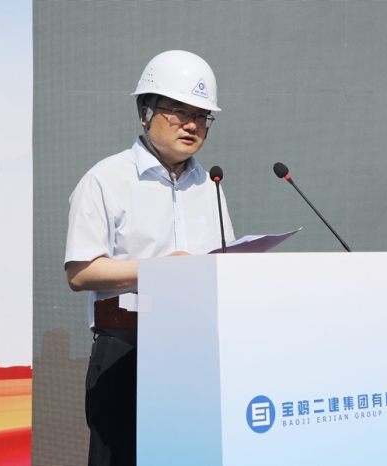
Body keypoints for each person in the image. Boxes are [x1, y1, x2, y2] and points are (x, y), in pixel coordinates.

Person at [64, 50, 234, 466]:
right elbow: (80, 272)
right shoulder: (106, 179)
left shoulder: (209, 184)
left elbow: (224, 262)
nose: (191, 125)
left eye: (201, 116)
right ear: (146, 112)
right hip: (127, 351)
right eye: (179, 112)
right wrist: (159, 272)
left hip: (196, 352)